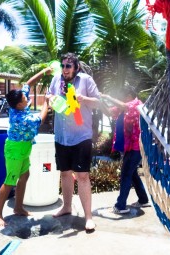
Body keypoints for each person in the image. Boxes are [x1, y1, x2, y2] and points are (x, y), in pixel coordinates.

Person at [0, 67, 52, 226]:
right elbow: (41, 119)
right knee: (10, 181)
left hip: (25, 147)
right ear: (19, 104)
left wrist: (44, 71)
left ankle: (18, 208)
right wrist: (47, 102)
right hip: (15, 149)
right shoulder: (23, 119)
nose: (27, 97)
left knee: (25, 176)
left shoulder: (18, 104)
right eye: (25, 98)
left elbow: (28, 83)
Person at [49, 53, 99, 231]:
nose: (64, 69)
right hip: (61, 136)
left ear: (76, 67)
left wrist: (84, 99)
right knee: (64, 173)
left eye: (68, 66)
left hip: (81, 136)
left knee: (83, 176)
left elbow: (98, 102)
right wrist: (51, 99)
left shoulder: (85, 80)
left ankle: (88, 217)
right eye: (62, 65)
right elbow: (49, 97)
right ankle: (67, 206)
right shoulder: (56, 79)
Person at [100, 86, 149, 214]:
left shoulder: (137, 104)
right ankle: (143, 199)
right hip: (129, 148)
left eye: (123, 96)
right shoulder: (123, 107)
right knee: (132, 174)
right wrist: (99, 102)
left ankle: (120, 206)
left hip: (136, 147)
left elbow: (125, 106)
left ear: (129, 95)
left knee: (126, 174)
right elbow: (110, 112)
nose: (122, 99)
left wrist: (107, 97)